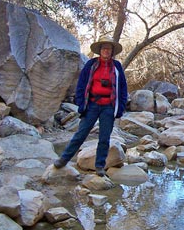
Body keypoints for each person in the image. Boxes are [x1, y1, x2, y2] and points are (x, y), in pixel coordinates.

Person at [53, 35, 128, 177]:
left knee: (104, 138)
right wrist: (81, 104)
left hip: (109, 107)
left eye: (109, 49)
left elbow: (123, 88)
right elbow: (81, 85)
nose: (106, 51)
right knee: (80, 134)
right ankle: (64, 159)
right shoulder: (91, 64)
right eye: (104, 48)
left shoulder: (117, 67)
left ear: (112, 51)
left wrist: (120, 108)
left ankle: (99, 166)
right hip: (92, 105)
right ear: (100, 50)